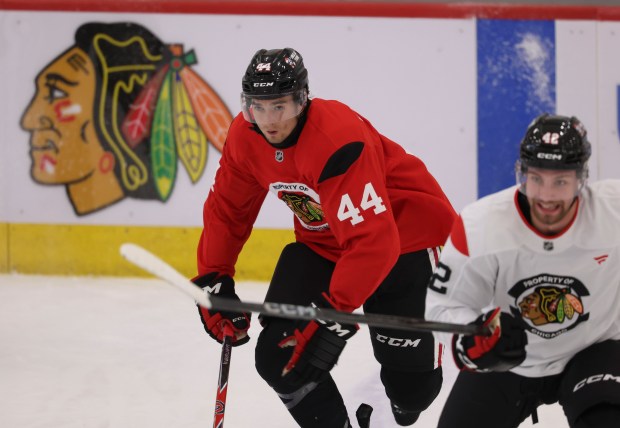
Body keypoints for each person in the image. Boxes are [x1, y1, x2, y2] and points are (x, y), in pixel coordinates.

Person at [193, 47, 456, 427]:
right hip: (324, 246)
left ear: (302, 100)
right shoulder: (244, 136)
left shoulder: (337, 138)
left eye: (279, 106)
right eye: (257, 106)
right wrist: (214, 276)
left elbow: (375, 243)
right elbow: (228, 209)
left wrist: (331, 314)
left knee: (412, 393)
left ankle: (382, 403)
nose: (268, 120)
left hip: (404, 240)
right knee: (280, 358)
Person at [425, 114, 620, 428]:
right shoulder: (480, 225)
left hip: (594, 350)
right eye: (536, 177)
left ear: (581, 178)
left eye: (561, 181)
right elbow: (443, 309)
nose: (546, 195)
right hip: (511, 357)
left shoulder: (614, 209)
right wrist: (473, 339)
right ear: (522, 172)